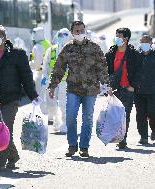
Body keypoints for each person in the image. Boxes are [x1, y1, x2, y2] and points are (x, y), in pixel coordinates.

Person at [48, 21, 112, 157]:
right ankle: (72, 145)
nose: (80, 33)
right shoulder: (68, 48)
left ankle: (84, 147)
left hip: (90, 90)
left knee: (87, 119)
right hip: (73, 89)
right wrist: (52, 86)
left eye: (82, 30)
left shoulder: (94, 47)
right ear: (72, 33)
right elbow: (58, 68)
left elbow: (102, 68)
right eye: (77, 31)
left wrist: (106, 85)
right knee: (70, 118)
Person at [0, 24, 40, 172]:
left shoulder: (18, 54)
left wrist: (33, 95)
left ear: (5, 38)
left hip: (11, 98)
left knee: (4, 127)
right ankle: (13, 156)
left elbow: (26, 77)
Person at [105, 28, 142, 149]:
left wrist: (134, 86)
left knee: (125, 114)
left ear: (126, 38)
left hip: (127, 89)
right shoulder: (110, 53)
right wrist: (107, 86)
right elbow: (106, 71)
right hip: (114, 90)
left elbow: (139, 72)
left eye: (119, 36)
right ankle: (117, 135)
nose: (117, 38)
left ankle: (122, 138)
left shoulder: (134, 54)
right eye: (116, 35)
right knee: (115, 115)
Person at [41, 28, 72, 133]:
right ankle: (56, 120)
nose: (60, 37)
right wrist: (44, 76)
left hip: (65, 82)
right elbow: (46, 65)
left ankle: (64, 124)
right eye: (59, 35)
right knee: (51, 102)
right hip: (52, 82)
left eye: (63, 35)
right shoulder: (51, 50)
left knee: (63, 104)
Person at [29, 27, 51, 96]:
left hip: (40, 74)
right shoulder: (47, 43)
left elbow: (37, 64)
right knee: (48, 97)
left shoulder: (38, 46)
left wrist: (29, 64)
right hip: (48, 73)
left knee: (41, 97)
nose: (32, 36)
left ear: (37, 34)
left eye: (34, 34)